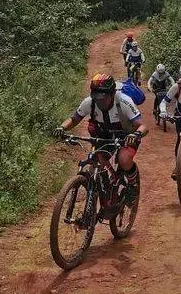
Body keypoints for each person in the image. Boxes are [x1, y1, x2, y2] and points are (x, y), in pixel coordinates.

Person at [55, 73, 148, 204]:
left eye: (103, 98)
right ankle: (95, 198)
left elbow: (143, 126)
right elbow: (74, 119)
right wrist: (62, 127)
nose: (100, 101)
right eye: (96, 98)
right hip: (103, 135)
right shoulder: (89, 102)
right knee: (94, 164)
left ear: (112, 94)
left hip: (126, 135)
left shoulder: (124, 102)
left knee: (124, 159)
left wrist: (136, 134)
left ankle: (132, 186)